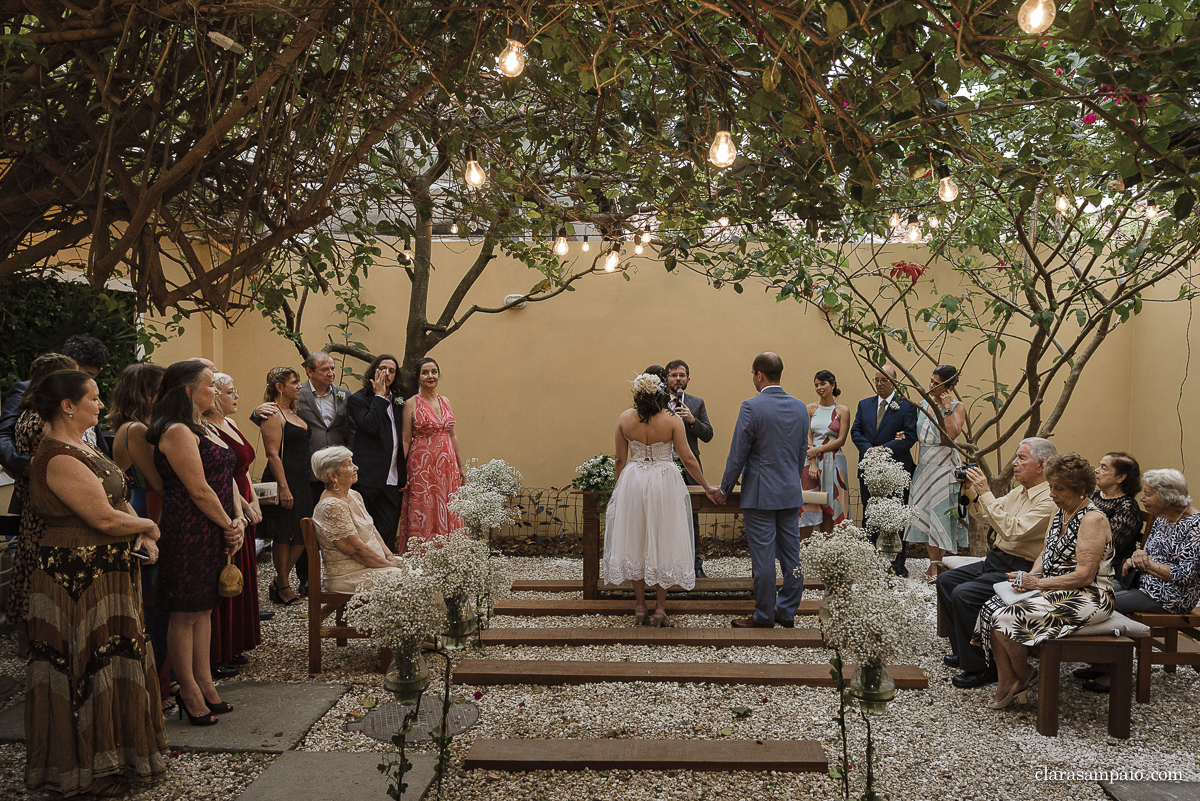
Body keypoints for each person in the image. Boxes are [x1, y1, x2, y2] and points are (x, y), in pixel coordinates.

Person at [25, 370, 167, 796]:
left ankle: (121, 756)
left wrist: (138, 532)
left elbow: (116, 496)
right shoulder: (58, 457)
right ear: (68, 406)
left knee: (117, 658)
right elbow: (102, 517)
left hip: (108, 574)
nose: (101, 405)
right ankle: (87, 768)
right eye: (94, 398)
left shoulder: (83, 446)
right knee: (85, 665)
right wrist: (148, 526)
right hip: (76, 580)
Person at [974, 453, 1115, 709]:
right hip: (1054, 586)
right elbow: (1045, 553)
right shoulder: (1061, 512)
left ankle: (1025, 674)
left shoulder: (1093, 519)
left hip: (1089, 595)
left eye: (1059, 489)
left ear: (1081, 490)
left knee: (1009, 616)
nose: (1052, 494)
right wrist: (1031, 575)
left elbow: (1085, 575)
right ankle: (1009, 679)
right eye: (1051, 487)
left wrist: (1037, 584)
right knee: (991, 608)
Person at [148, 361, 245, 726]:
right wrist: (228, 525)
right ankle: (187, 689)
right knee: (185, 611)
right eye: (209, 387)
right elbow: (199, 489)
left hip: (214, 525)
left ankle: (205, 680)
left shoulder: (202, 425)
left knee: (205, 608)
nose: (215, 392)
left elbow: (225, 478)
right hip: (189, 529)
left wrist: (235, 519)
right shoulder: (176, 431)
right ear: (188, 391)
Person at [937, 437, 1057, 689]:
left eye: (1021, 458)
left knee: (964, 594)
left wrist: (985, 491)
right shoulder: (1019, 491)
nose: (1014, 463)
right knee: (947, 581)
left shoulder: (1049, 499)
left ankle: (982, 667)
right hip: (996, 559)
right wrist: (970, 490)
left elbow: (1013, 530)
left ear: (1042, 465)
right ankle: (964, 652)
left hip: (1019, 568)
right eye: (1015, 457)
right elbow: (984, 514)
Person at [603, 373, 719, 625]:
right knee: (663, 537)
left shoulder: (624, 419)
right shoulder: (672, 420)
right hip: (664, 480)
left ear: (637, 394)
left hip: (633, 481)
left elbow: (620, 460)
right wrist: (707, 486)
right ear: (660, 393)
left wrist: (620, 490)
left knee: (636, 538)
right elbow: (688, 459)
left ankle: (640, 606)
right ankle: (660, 609)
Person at [1080, 469, 1200, 692]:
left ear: (1167, 496)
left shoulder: (1195, 527)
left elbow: (1182, 576)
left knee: (1104, 603)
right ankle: (1099, 663)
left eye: (1148, 494)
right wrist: (1135, 558)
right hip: (1142, 583)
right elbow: (1146, 554)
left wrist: (1146, 564)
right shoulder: (1163, 519)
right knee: (1089, 591)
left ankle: (1113, 673)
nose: (1143, 498)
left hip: (1170, 596)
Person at [714, 352, 810, 629]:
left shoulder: (751, 407)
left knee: (764, 557)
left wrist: (724, 488)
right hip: (790, 491)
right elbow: (802, 452)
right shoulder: (800, 407)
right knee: (792, 554)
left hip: (759, 493)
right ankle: (788, 611)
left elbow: (738, 453)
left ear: (759, 374)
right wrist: (792, 480)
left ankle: (765, 615)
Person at [251, 351, 355, 594]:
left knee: (307, 531)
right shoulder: (293, 398)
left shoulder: (341, 395)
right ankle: (294, 582)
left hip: (320, 472)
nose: (330, 373)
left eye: (333, 368)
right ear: (311, 372)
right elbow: (271, 441)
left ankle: (283, 581)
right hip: (294, 477)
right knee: (288, 531)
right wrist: (257, 411)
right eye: (324, 369)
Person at [108, 361, 172, 709]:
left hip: (151, 505)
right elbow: (158, 482)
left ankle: (163, 679)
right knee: (151, 602)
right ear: (148, 393)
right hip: (146, 509)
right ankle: (154, 686)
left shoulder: (143, 427)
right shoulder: (135, 429)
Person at [3, 353, 77, 630]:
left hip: (35, 506)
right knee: (46, 577)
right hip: (51, 507)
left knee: (32, 570)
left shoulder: (31, 416)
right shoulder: (45, 423)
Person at [1, 334, 108, 508]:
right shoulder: (26, 395)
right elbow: (4, 435)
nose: (79, 380)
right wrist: (24, 463)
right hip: (50, 500)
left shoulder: (86, 395)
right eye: (76, 373)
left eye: (89, 375)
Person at [203, 373, 263, 675]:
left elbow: (244, 468)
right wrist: (241, 506)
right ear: (214, 398)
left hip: (245, 500)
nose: (236, 396)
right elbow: (224, 473)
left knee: (244, 572)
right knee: (227, 571)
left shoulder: (232, 424)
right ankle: (218, 651)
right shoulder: (205, 429)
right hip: (228, 501)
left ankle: (236, 642)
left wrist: (254, 501)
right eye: (230, 392)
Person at [849, 364, 918, 576]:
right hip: (869, 468)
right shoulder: (864, 404)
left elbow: (909, 437)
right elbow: (856, 431)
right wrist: (869, 449)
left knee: (896, 514)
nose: (879, 384)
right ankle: (870, 560)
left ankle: (897, 562)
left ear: (894, 381)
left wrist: (884, 448)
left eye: (884, 380)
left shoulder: (905, 405)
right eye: (877, 380)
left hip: (896, 468)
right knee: (870, 514)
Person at [310, 446, 407, 592]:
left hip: (373, 565)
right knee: (416, 582)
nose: (356, 467)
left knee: (426, 572)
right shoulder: (332, 507)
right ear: (333, 476)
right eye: (348, 465)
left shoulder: (354, 495)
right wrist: (388, 565)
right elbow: (356, 550)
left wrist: (389, 556)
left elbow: (371, 529)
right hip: (349, 575)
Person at [905, 365, 969, 583]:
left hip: (945, 467)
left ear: (948, 386)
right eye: (931, 381)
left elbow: (952, 433)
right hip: (924, 467)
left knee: (941, 514)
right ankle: (933, 564)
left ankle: (938, 565)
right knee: (924, 515)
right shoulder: (922, 404)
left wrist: (947, 407)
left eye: (936, 383)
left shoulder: (957, 406)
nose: (930, 385)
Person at [259, 366, 313, 606]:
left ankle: (279, 580)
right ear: (279, 387)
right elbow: (272, 453)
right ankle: (283, 585)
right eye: (294, 382)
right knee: (283, 533)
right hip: (284, 478)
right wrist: (283, 487)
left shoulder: (294, 412)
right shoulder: (272, 414)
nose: (298, 386)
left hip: (302, 479)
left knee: (302, 534)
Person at [399, 357, 463, 551]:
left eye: (434, 372)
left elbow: (452, 435)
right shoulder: (411, 403)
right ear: (418, 378)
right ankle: (423, 554)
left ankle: (449, 553)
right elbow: (405, 439)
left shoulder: (445, 401)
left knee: (448, 505)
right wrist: (403, 471)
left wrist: (461, 466)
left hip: (447, 466)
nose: (430, 376)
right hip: (422, 466)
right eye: (425, 373)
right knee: (425, 507)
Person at [350, 354, 407, 552]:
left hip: (392, 479)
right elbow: (369, 426)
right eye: (383, 369)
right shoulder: (358, 400)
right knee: (365, 530)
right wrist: (379, 397)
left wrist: (404, 474)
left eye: (392, 371)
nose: (387, 373)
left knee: (388, 529)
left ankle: (386, 574)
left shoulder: (400, 402)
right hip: (368, 477)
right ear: (374, 372)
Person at [665, 359, 715, 578]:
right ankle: (667, 565)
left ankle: (695, 565)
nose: (678, 379)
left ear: (688, 379)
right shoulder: (658, 403)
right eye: (674, 375)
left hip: (690, 468)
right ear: (666, 378)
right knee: (664, 515)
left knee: (692, 516)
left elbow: (708, 435)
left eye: (682, 375)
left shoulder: (696, 403)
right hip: (664, 465)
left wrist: (693, 421)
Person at [800, 369, 851, 536]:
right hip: (811, 461)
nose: (819, 387)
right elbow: (807, 437)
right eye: (816, 385)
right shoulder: (809, 409)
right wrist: (813, 460)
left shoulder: (843, 410)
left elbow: (841, 440)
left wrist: (818, 449)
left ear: (833, 385)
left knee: (832, 502)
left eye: (823, 383)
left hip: (835, 461)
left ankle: (827, 545)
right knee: (810, 502)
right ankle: (805, 548)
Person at [1091, 452, 1144, 584]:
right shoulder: (1094, 496)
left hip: (1108, 570)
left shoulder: (1127, 506)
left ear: (1120, 477)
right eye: (1099, 466)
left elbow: (1108, 547)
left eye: (1103, 468)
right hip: (1083, 559)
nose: (1096, 471)